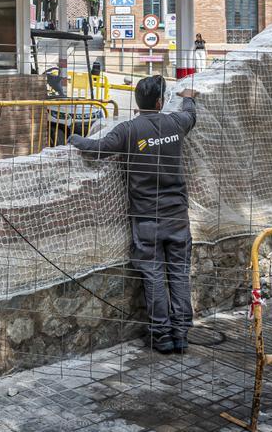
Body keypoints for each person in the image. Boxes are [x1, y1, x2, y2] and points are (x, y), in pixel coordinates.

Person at [69, 75, 198, 354]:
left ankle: (161, 336)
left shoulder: (128, 130)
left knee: (153, 276)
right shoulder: (175, 123)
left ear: (138, 103)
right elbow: (190, 113)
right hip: (177, 216)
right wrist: (188, 96)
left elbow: (95, 149)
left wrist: (74, 136)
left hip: (147, 218)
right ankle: (181, 334)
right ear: (161, 102)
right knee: (178, 273)